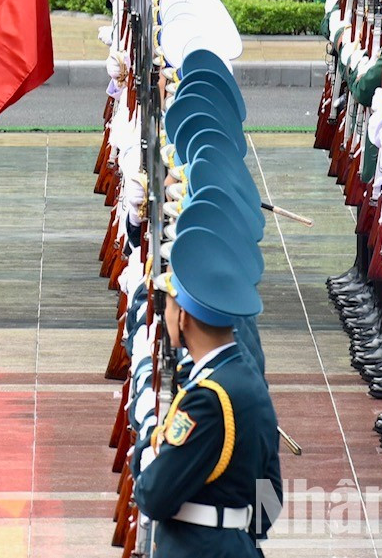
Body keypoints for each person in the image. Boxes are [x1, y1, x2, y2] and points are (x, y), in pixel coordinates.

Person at [132, 225, 282, 557]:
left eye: (168, 304)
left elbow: (153, 496)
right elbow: (270, 498)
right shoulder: (249, 380)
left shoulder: (207, 399)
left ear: (183, 316)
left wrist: (148, 447)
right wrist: (237, 528)